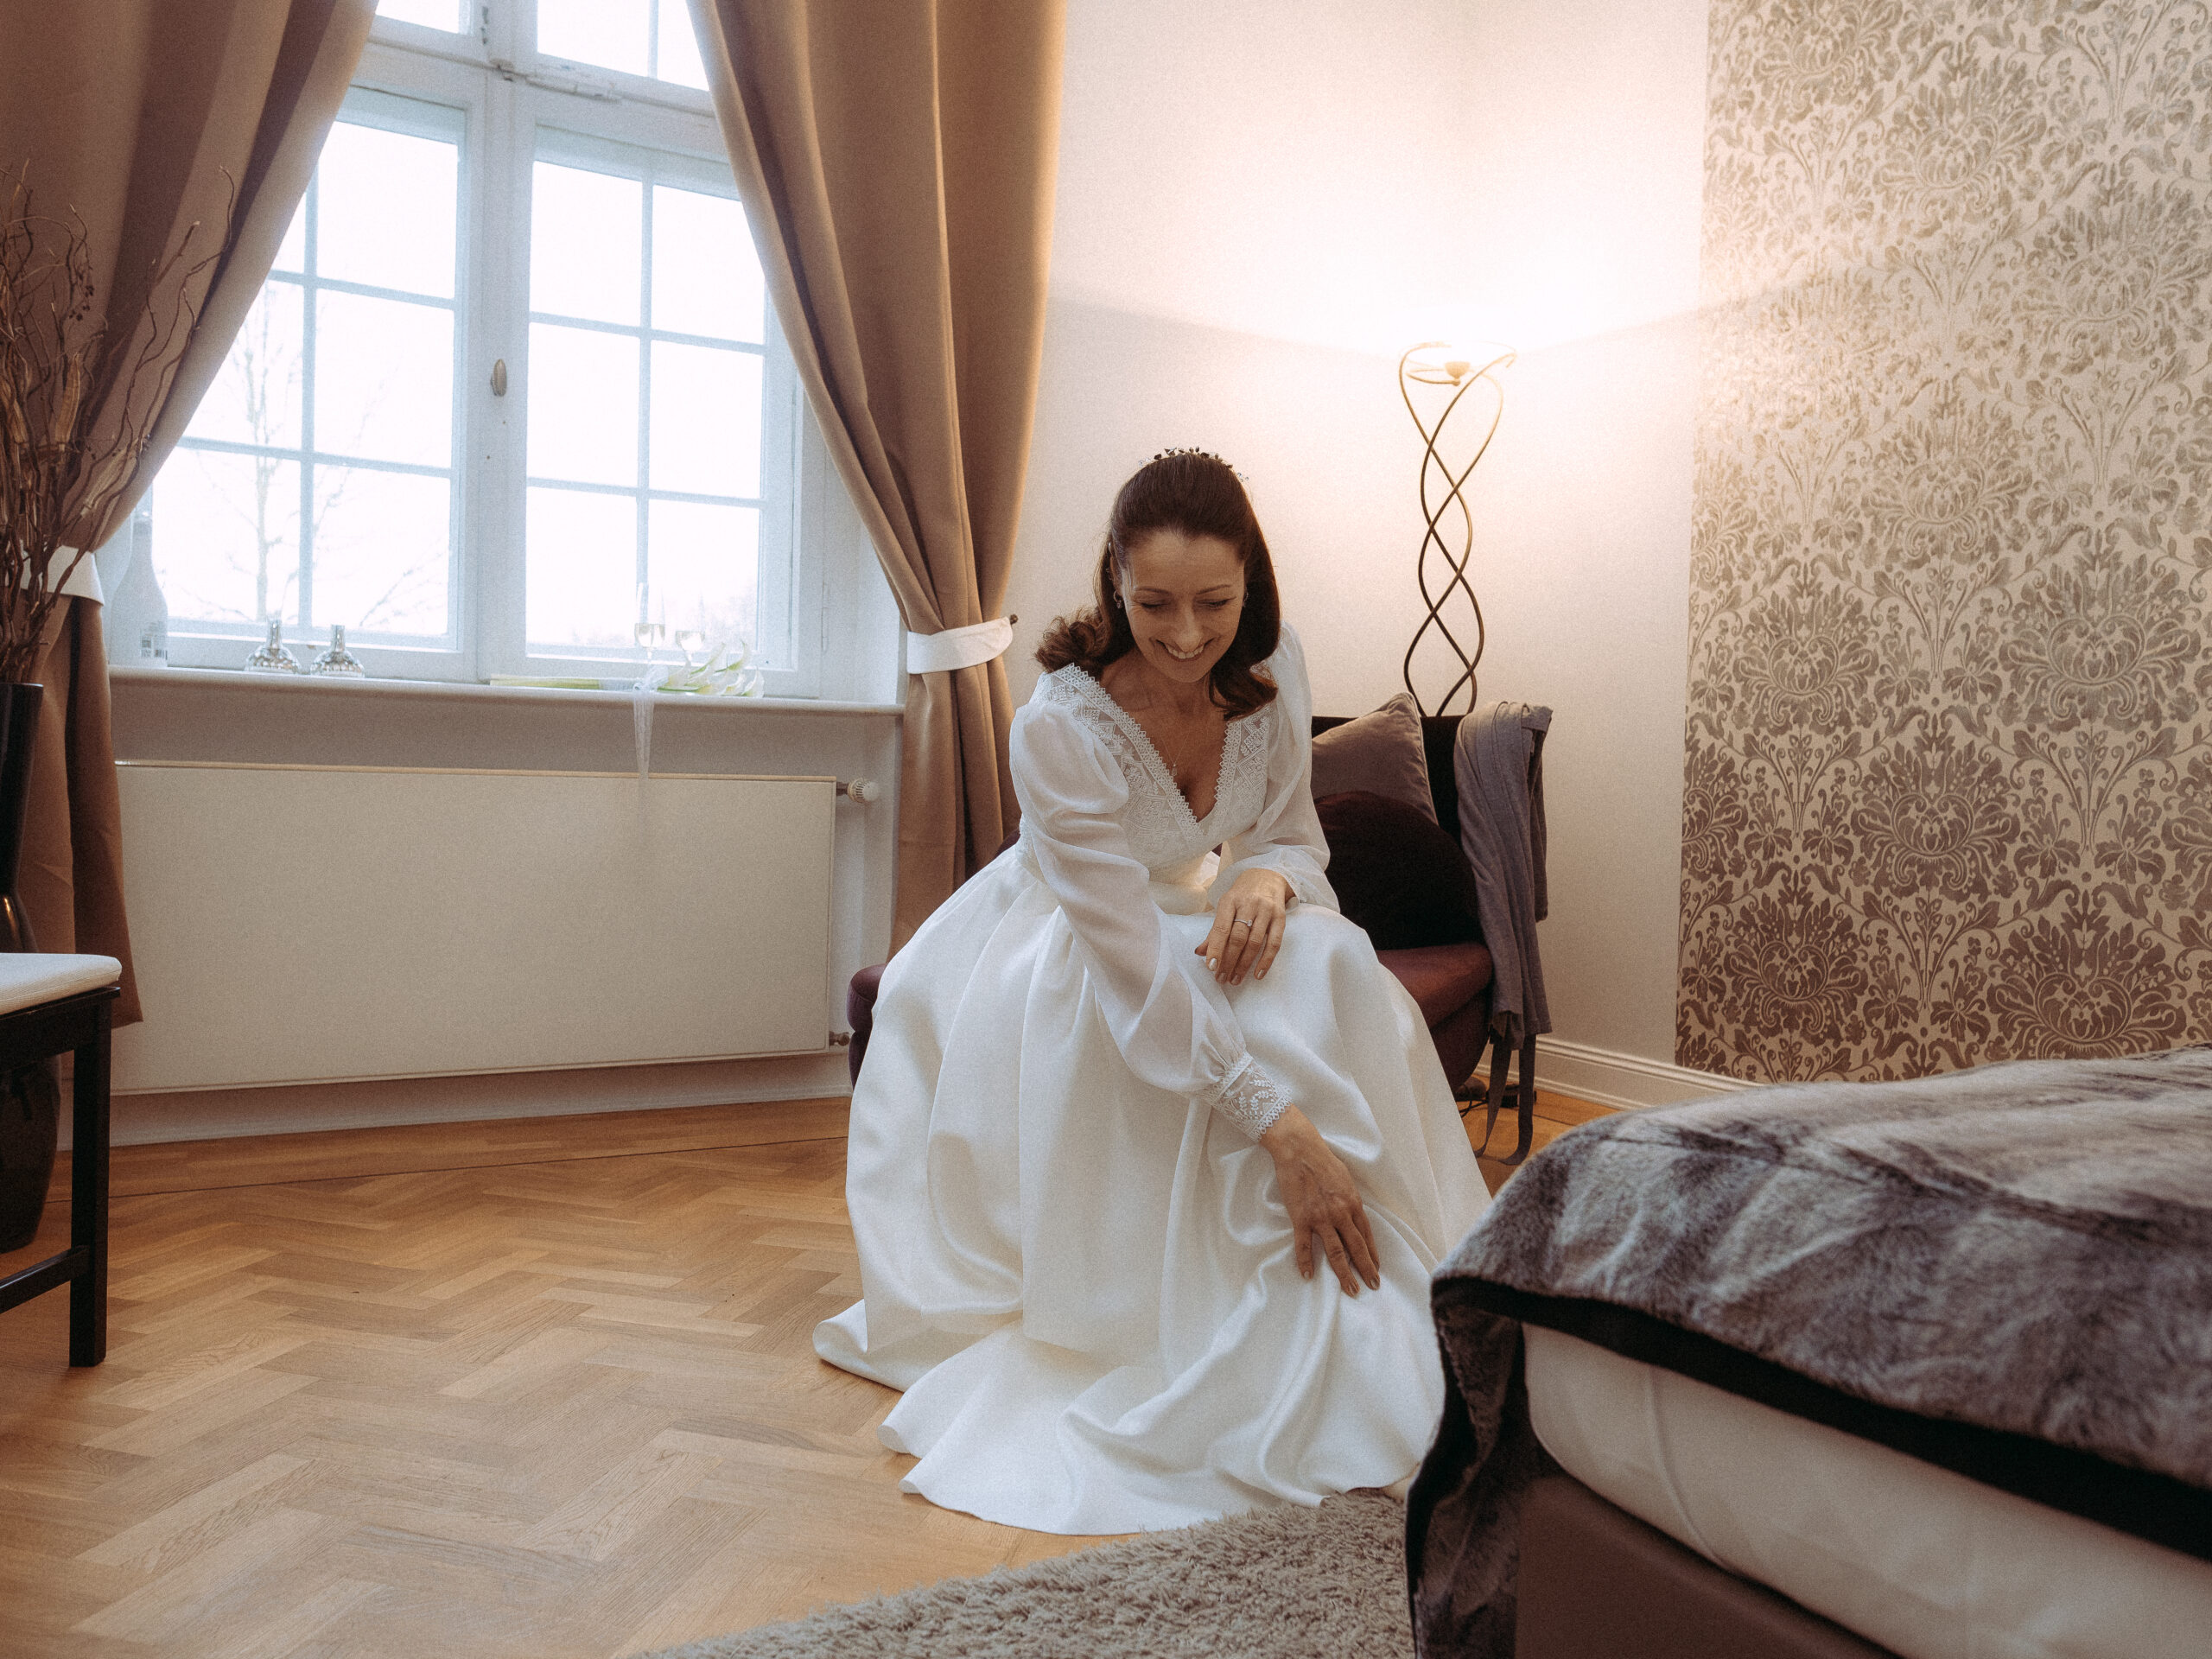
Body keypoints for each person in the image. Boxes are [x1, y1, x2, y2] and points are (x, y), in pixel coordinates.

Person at [815, 449, 1492, 1535]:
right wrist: (1282, 1128)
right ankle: (1189, 1308)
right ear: (1112, 584)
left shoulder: (1276, 670)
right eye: (1154, 604)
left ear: (1251, 586)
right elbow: (1124, 959)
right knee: (1193, 1030)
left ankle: (1384, 1282)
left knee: (1324, 961)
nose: (1184, 636)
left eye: (1213, 605)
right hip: (1068, 944)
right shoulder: (1058, 726)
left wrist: (1267, 878)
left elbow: (1290, 835)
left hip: (1192, 908)